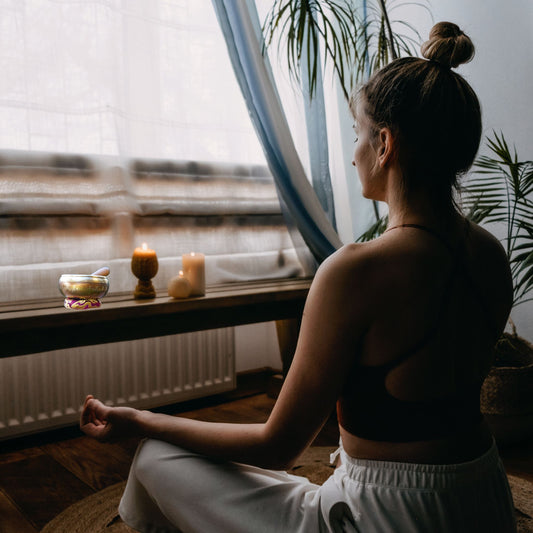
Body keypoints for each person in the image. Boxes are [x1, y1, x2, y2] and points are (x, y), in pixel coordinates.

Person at [80, 22, 517, 532]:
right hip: (484, 500)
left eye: (358, 134)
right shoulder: (490, 253)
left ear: (385, 145)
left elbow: (277, 447)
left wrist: (139, 421)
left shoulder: (356, 271)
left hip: (391, 518)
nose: (353, 152)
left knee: (157, 456)